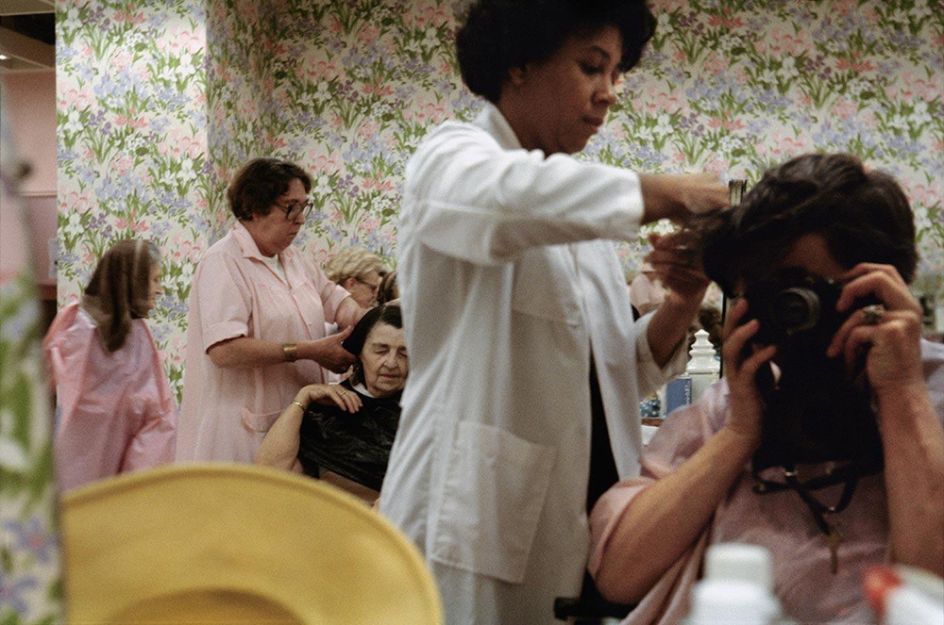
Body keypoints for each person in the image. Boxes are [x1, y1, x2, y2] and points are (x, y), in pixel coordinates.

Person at [377, 2, 730, 622]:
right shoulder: (451, 159)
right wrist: (669, 191)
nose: (609, 94)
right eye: (592, 67)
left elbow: (611, 371)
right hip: (476, 512)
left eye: (617, 74)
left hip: (584, 507)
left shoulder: (577, 212)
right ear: (519, 62)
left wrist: (680, 303)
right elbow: (501, 203)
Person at [588, 153, 944, 625]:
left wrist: (900, 392)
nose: (785, 314)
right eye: (763, 291)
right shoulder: (733, 404)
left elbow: (930, 587)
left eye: (800, 290)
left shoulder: (929, 391)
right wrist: (739, 435)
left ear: (877, 285)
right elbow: (617, 574)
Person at [177, 158, 362, 463]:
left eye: (304, 207)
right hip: (245, 430)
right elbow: (225, 351)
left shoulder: (295, 259)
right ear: (253, 207)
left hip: (295, 423)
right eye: (290, 207)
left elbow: (337, 300)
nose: (300, 219)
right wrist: (309, 351)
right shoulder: (223, 262)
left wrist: (373, 324)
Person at [43, 239, 177, 491]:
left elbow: (153, 410)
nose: (159, 290)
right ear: (133, 280)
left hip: (116, 460)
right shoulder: (80, 327)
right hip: (78, 460)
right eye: (155, 280)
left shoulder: (135, 333)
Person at [255, 304, 407, 504]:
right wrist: (304, 397)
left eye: (404, 353)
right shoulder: (327, 408)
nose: (391, 363)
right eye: (381, 350)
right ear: (359, 351)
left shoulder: (423, 414)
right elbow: (269, 472)